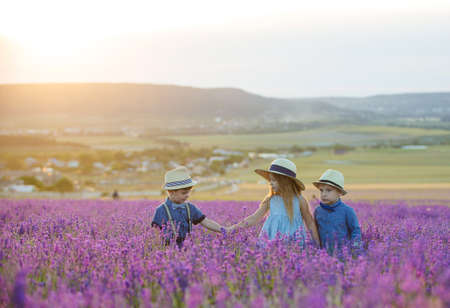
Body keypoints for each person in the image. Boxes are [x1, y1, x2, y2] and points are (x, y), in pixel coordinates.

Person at [230, 158, 320, 245]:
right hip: (271, 242)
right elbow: (254, 218)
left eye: (274, 180)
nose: (270, 183)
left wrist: (317, 244)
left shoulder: (299, 200)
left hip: (294, 243)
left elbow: (310, 222)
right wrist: (232, 229)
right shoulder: (271, 199)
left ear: (285, 181)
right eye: (270, 180)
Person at [152, 166, 225, 247]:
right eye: (184, 193)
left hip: (188, 248)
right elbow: (156, 233)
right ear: (172, 192)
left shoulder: (190, 208)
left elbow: (206, 222)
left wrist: (224, 230)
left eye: (188, 192)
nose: (187, 196)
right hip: (169, 249)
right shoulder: (161, 210)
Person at [313, 169, 362, 255]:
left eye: (328, 190)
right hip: (323, 255)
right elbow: (315, 231)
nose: (323, 194)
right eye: (321, 190)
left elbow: (356, 231)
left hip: (343, 254)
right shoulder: (318, 211)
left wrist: (355, 249)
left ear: (339, 192)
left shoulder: (347, 211)